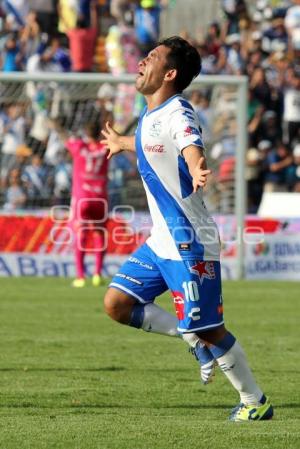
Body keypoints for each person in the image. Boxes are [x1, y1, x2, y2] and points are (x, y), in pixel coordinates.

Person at [101, 36, 273, 422]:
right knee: (117, 304)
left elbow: (187, 143)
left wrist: (195, 165)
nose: (143, 59)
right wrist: (122, 143)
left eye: (153, 57)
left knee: (211, 328)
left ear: (170, 73)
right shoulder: (150, 115)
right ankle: (189, 335)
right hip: (160, 241)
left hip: (189, 240)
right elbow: (151, 142)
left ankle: (255, 402)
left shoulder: (178, 111)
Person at [64, 121, 109, 287]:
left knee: (81, 234)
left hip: (82, 197)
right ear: (99, 133)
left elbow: (63, 135)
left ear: (85, 132)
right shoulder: (105, 147)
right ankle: (97, 274)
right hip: (100, 198)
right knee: (99, 235)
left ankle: (80, 276)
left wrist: (51, 121)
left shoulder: (78, 146)